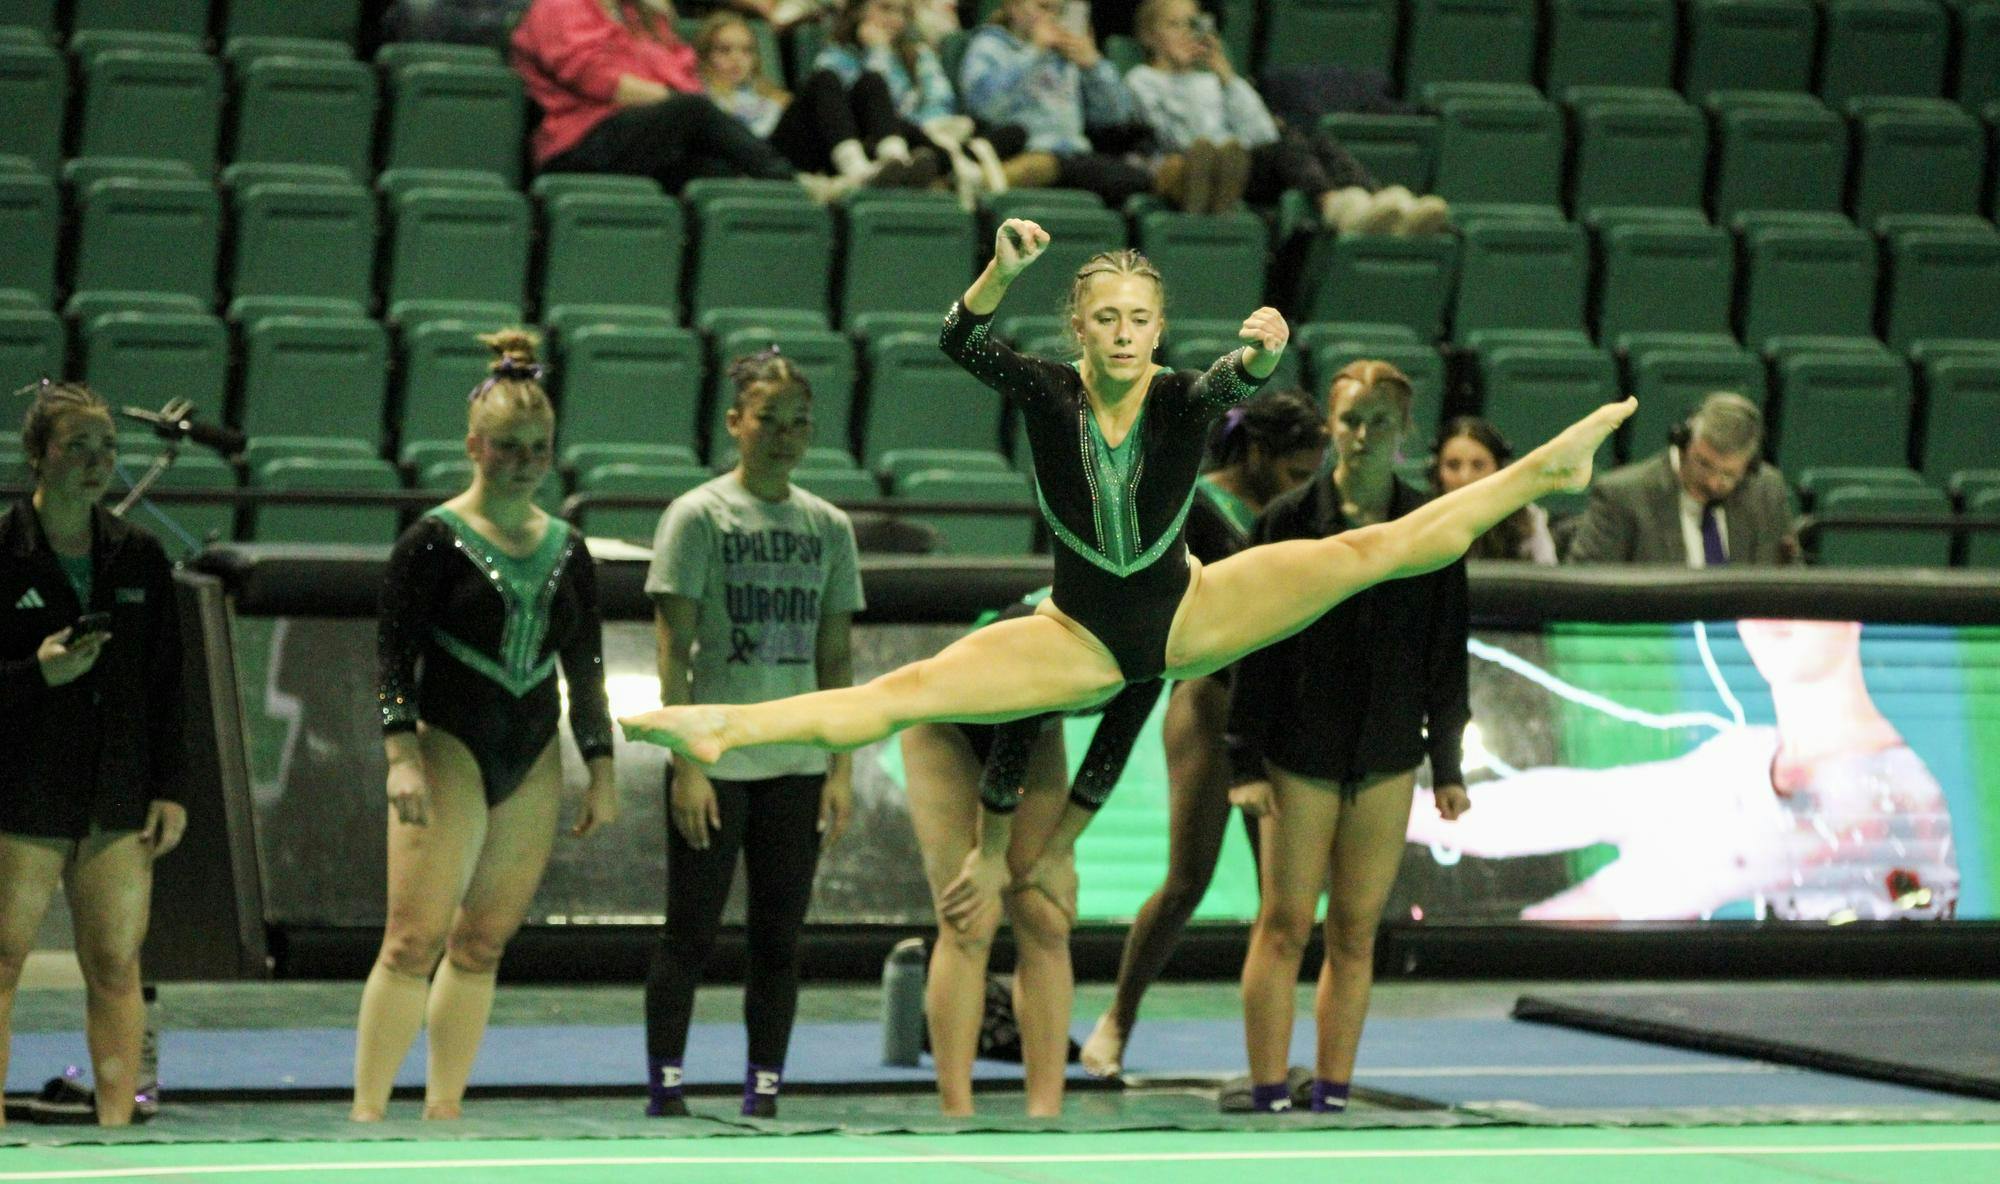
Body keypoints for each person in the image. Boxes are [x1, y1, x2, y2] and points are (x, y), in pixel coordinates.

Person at [618, 221, 1636, 809]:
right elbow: (958, 344)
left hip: (1189, 611)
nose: (1120, 333)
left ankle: (1544, 470)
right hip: (1076, 635)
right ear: (1076, 327)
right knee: (909, 689)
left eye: (1137, 319)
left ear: (1158, 329)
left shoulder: (1183, 397)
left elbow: (1239, 374)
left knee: (1370, 549)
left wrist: (1267, 348)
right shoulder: (1047, 393)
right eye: (1102, 318)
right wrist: (1000, 271)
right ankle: (724, 723)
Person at [355, 331, 618, 1122]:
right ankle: (366, 1112)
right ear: (474, 446)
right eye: (508, 446)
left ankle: (444, 1108)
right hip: (449, 746)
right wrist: (401, 753)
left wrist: (600, 765)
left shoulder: (569, 548)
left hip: (533, 748)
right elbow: (393, 656)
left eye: (538, 448)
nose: (525, 460)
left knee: (482, 944)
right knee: (413, 939)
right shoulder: (432, 540)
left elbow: (587, 665)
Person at [1226, 360, 1472, 1114]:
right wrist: (1245, 757)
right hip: (1299, 752)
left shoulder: (1433, 527)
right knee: (1285, 921)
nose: (1362, 437)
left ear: (1405, 436)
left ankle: (1330, 1089)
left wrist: (1448, 765)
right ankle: (1269, 1088)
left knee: (1357, 929)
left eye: (1380, 424)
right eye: (1351, 421)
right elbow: (1254, 644)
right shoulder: (1284, 523)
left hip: (1389, 754)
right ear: (1331, 426)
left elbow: (1445, 653)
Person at [642, 349, 863, 1119]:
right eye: (769, 419)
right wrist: (686, 764)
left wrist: (841, 767)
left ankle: (763, 1089)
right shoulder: (697, 516)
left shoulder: (829, 527)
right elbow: (673, 652)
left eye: (799, 422)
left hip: (798, 765)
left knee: (779, 938)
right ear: (736, 423)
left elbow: (836, 656)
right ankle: (666, 1086)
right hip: (717, 761)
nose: (785, 435)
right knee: (691, 932)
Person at [1079, 389, 1326, 1078]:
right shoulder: (1195, 506)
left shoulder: (1307, 509)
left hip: (1281, 707)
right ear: (1253, 451)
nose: (1303, 485)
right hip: (1214, 703)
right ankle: (1117, 1020)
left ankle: (1271, 1054)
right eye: (1293, 471)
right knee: (1188, 879)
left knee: (1288, 898)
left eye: (1312, 473)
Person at [1408, 618, 1959, 923]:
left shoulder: (1900, 798)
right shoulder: (1745, 755)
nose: (1774, 620)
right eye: (1762, 603)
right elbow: (1592, 801)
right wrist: (1404, 809)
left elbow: (1669, 878)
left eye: (1801, 601)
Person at [0, 381, 186, 1127]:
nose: (96, 462)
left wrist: (171, 786)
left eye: (107, 448)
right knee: (3, 961)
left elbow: (168, 681)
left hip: (116, 787)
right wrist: (36, 671)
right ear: (38, 456)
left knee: (115, 965)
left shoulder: (139, 556)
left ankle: (116, 1128)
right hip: (22, 787)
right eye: (77, 446)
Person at [904, 594, 1163, 1115]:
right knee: (969, 919)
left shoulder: (1157, 650)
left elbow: (1108, 757)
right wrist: (990, 859)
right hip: (941, 722)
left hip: (1033, 733)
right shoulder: (1043, 639)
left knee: (1045, 917)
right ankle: (957, 1112)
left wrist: (1058, 856)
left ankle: (1045, 1113)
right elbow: (1006, 765)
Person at [1126, 0, 1448, 229]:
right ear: (1148, 35)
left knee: (1307, 136)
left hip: (1248, 161)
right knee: (1286, 142)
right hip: (1206, 173)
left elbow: (1261, 130)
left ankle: (1382, 203)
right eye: (1173, 24)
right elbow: (1178, 139)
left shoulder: (1213, 80)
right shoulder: (1141, 80)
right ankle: (1334, 203)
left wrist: (1227, 77)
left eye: (1192, 23)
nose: (1186, 33)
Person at [512, 0, 848, 202]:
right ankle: (791, 182)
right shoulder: (560, 6)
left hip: (639, 141)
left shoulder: (639, 16)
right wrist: (668, 99)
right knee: (692, 110)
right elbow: (594, 78)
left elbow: (682, 70)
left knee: (719, 173)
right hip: (579, 143)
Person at [695, 9, 947, 192]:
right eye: (724, 50)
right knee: (823, 79)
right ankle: (857, 171)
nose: (737, 59)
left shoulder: (771, 94)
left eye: (746, 50)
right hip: (762, 160)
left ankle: (896, 159)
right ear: (706, 55)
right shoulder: (703, 95)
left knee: (871, 81)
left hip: (804, 156)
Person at [959, 0, 1180, 206]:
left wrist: (1094, 66)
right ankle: (979, 181)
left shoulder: (1068, 57)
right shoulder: (990, 46)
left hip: (1075, 156)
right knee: (1046, 165)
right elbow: (984, 107)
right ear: (1013, 7)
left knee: (1139, 179)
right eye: (1043, 8)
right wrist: (1033, 52)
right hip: (1019, 149)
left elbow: (1115, 116)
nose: (1051, 19)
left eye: (1058, 11)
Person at [809, 0, 1036, 199]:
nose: (894, 20)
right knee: (896, 117)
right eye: (885, 8)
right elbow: (867, 108)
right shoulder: (837, 57)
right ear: (858, 10)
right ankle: (950, 168)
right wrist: (878, 53)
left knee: (1016, 132)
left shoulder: (918, 54)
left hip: (927, 134)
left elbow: (941, 102)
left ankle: (948, 164)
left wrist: (928, 131)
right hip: (876, 141)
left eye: (902, 12)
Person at [1566, 391, 1795, 567]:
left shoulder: (1766, 490)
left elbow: (1790, 582)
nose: (1713, 483)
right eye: (1704, 464)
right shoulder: (1623, 495)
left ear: (1750, 466)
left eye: (1729, 474)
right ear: (1683, 442)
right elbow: (1584, 587)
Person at [1430, 416, 1557, 564]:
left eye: (1478, 465)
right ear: (1437, 472)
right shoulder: (1419, 521)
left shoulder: (1526, 519)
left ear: (1499, 470)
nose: (1465, 477)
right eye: (1453, 465)